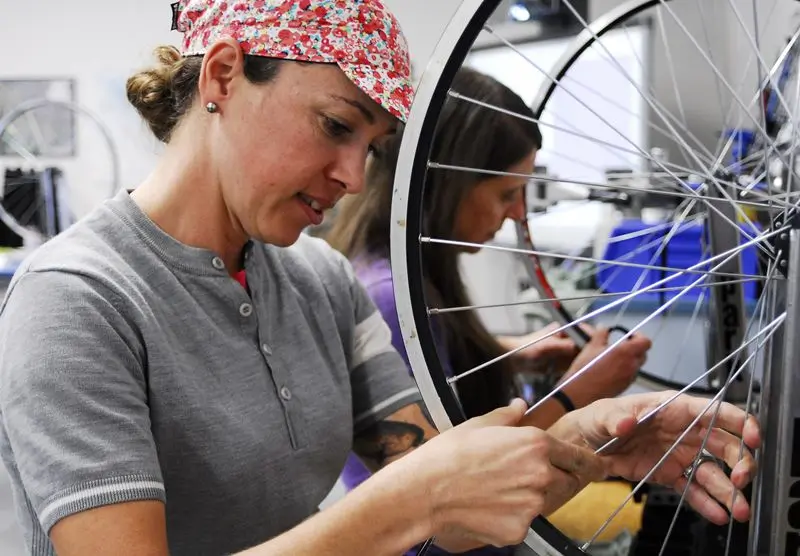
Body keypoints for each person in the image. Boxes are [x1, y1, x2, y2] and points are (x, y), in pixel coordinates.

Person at [0, 2, 759, 556]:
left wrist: (587, 440)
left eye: (374, 144)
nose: (352, 175)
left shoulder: (318, 279)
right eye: (336, 125)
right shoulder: (77, 301)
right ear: (225, 74)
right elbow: (422, 495)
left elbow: (450, 505)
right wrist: (412, 501)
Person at [327, 68, 653, 546]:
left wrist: (503, 351)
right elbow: (455, 486)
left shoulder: (406, 277)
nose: (519, 212)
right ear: (448, 183)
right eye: (506, 192)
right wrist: (579, 391)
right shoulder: (386, 295)